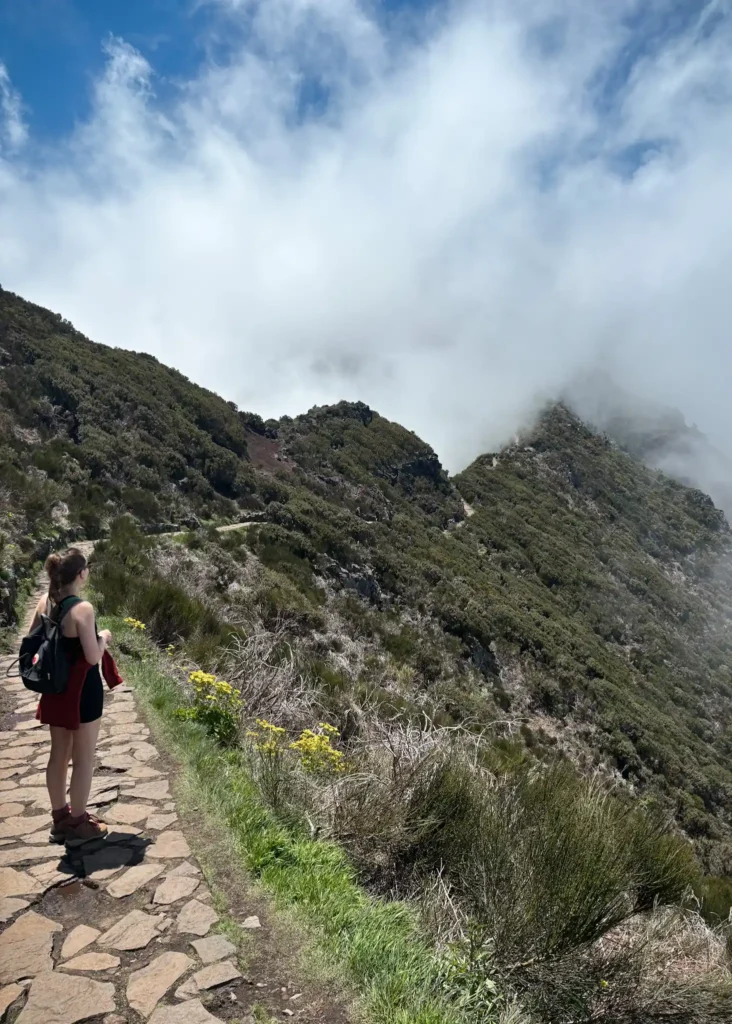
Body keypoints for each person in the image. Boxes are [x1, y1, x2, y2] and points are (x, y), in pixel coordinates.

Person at [29, 548, 113, 844]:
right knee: (83, 758)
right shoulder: (83, 609)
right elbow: (92, 657)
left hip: (54, 690)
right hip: (82, 693)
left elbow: (32, 641)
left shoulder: (44, 603)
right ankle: (78, 820)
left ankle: (60, 818)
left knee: (58, 754)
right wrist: (103, 637)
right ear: (81, 574)